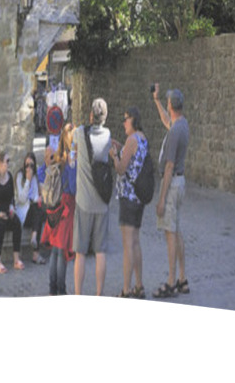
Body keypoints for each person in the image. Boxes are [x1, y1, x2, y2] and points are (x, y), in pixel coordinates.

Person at [151, 84, 190, 298]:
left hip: (173, 184)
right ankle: (182, 278)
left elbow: (168, 166)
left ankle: (171, 281)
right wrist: (156, 100)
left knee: (170, 234)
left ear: (171, 105)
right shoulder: (181, 124)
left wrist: (161, 198)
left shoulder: (176, 131)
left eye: (166, 102)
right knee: (177, 231)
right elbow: (167, 120)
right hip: (179, 182)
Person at [72, 98, 112, 296]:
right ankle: (99, 294)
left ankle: (79, 294)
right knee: (100, 252)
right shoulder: (108, 135)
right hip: (102, 202)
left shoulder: (80, 133)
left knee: (80, 253)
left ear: (90, 115)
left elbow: (72, 146)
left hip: (83, 202)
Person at [110, 106, 149, 299]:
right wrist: (121, 147)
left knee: (127, 245)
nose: (124, 123)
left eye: (126, 119)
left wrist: (115, 155)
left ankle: (126, 289)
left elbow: (121, 169)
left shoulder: (131, 139)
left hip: (128, 197)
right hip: (139, 198)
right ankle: (139, 285)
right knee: (136, 243)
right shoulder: (142, 138)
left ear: (133, 120)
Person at [41, 122, 77, 294]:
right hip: (66, 208)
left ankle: (52, 288)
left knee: (55, 251)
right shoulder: (70, 162)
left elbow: (43, 174)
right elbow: (74, 187)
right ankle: (60, 290)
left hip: (53, 207)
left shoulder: (56, 158)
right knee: (61, 252)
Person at [15, 152, 46, 264]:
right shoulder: (20, 176)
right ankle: (36, 253)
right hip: (23, 214)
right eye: (27, 165)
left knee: (38, 211)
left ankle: (34, 238)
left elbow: (35, 196)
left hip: (33, 213)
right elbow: (22, 199)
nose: (29, 168)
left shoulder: (35, 177)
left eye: (31, 165)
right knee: (36, 211)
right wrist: (27, 180)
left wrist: (38, 198)